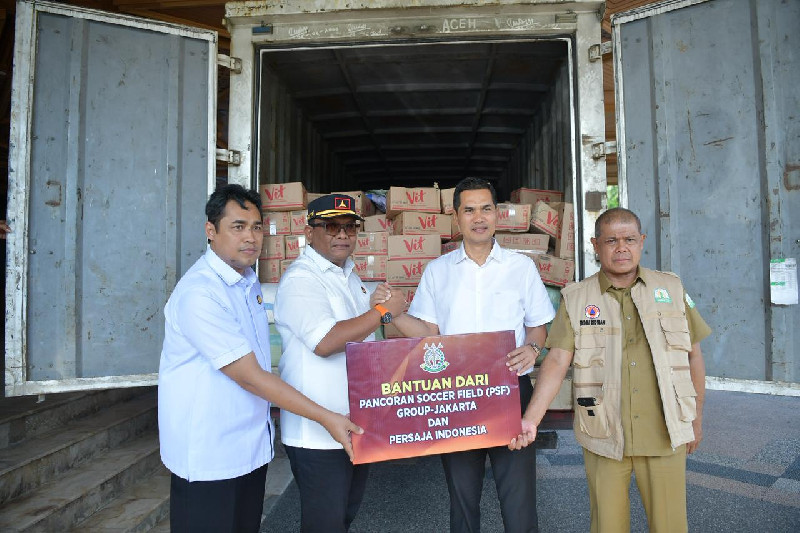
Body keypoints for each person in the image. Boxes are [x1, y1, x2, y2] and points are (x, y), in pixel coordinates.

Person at [158, 184, 362, 533]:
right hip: (208, 454)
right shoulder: (200, 293)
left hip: (248, 449)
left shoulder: (246, 282)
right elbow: (250, 376)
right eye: (237, 227)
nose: (250, 237)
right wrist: (326, 417)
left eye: (256, 227)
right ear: (211, 231)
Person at [512, 207, 711, 533]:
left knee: (670, 526)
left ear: (642, 241)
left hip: (665, 433)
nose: (621, 248)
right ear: (595, 245)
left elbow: (694, 357)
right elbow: (557, 361)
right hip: (603, 433)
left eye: (629, 240)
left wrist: (697, 419)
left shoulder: (672, 289)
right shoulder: (576, 298)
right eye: (611, 241)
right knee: (607, 526)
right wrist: (531, 421)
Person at [387, 177, 555, 533]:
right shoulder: (438, 271)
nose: (479, 218)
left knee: (519, 500)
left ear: (497, 214)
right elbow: (429, 334)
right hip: (456, 395)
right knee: (462, 500)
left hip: (510, 391)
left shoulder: (521, 267)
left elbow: (538, 326)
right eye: (469, 210)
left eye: (486, 209)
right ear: (456, 217)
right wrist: (392, 314)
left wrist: (532, 348)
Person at [274, 194, 406, 533]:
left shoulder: (349, 275)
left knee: (342, 517)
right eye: (332, 227)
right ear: (310, 232)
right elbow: (326, 342)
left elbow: (362, 337)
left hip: (353, 424)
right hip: (318, 433)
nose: (343, 235)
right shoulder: (302, 279)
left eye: (350, 227)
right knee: (325, 524)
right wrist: (382, 313)